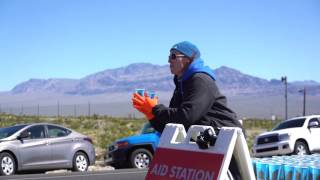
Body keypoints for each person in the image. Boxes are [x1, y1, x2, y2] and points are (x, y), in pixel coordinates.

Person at [132, 41, 244, 179]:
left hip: (225, 137)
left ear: (187, 59)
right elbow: (173, 125)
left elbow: (187, 115)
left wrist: (156, 109)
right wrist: (150, 114)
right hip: (205, 140)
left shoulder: (200, 80)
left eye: (173, 56)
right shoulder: (181, 83)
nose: (168, 60)